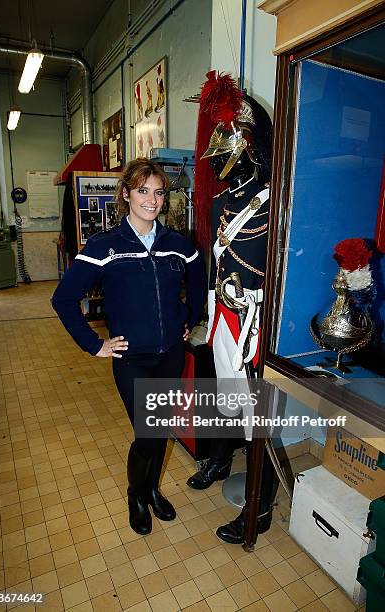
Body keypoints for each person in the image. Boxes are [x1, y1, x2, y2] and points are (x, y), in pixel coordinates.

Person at [52, 158, 207, 535]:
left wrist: (186, 319)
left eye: (158, 192)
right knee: (148, 432)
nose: (151, 200)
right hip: (131, 358)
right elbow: (63, 299)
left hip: (170, 353)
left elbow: (200, 284)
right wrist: (95, 345)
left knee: (161, 427)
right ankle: (137, 495)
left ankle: (151, 489)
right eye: (142, 191)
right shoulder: (105, 246)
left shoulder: (177, 244)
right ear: (126, 194)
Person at [190, 74, 279, 544]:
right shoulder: (225, 201)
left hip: (255, 322)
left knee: (254, 412)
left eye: (225, 145)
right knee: (225, 401)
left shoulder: (272, 203)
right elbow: (215, 263)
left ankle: (260, 505)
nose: (218, 157)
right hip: (224, 315)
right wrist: (208, 311)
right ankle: (221, 458)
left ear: (247, 146)